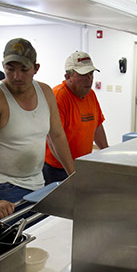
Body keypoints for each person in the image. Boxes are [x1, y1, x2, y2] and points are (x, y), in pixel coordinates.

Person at [0, 37, 75, 219]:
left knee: (41, 233)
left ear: (36, 68)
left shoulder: (45, 93)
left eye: (24, 69)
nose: (16, 76)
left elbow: (57, 135)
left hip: (38, 180)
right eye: (10, 69)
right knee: (24, 238)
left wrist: (73, 174)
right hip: (6, 184)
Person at [43, 51, 108, 184]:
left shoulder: (91, 95)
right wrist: (72, 173)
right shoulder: (58, 96)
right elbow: (53, 139)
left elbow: (97, 125)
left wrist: (107, 154)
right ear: (68, 76)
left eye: (91, 74)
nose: (89, 79)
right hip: (58, 169)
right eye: (83, 74)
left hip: (81, 164)